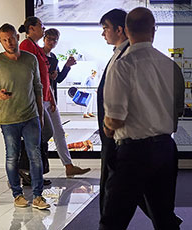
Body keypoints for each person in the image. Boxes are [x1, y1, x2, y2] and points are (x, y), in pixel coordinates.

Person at [100, 7, 185, 230]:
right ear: (153, 30)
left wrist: (108, 130)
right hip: (166, 150)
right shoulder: (170, 66)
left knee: (113, 220)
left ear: (127, 30)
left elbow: (115, 119)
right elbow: (177, 109)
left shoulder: (122, 65)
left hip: (133, 154)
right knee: (164, 216)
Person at [0, 23, 50, 210]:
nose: (8, 42)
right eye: (4, 40)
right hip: (8, 118)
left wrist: (40, 115)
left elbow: (37, 87)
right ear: (0, 41)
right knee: (12, 156)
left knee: (35, 155)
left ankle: (38, 196)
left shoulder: (31, 59)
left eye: (11, 38)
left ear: (17, 37)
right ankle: (17, 195)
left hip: (31, 116)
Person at [19, 16, 91, 178]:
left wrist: (51, 99)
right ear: (32, 29)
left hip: (46, 98)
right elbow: (29, 75)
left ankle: (67, 166)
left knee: (56, 131)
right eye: (42, 27)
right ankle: (29, 170)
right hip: (37, 100)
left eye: (54, 39)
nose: (43, 29)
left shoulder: (41, 52)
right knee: (42, 134)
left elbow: (49, 80)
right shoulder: (28, 46)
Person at [97, 8, 131, 216]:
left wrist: (109, 128)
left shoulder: (125, 58)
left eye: (105, 28)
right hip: (111, 134)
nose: (103, 33)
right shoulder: (118, 54)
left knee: (112, 187)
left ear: (119, 30)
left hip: (116, 135)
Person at [42, 28, 77, 103]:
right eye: (49, 39)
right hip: (41, 96)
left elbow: (59, 79)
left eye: (55, 40)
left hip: (51, 95)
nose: (52, 42)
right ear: (44, 39)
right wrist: (48, 76)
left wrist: (67, 66)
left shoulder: (53, 56)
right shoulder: (39, 55)